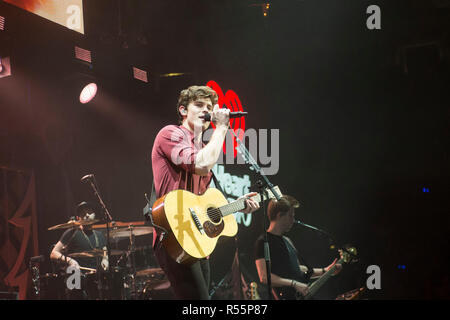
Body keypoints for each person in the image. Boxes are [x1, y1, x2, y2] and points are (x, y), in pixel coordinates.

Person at [150, 85, 260, 299]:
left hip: (196, 239)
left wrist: (238, 204)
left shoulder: (204, 147)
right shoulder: (170, 133)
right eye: (198, 105)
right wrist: (220, 129)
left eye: (209, 107)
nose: (205, 110)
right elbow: (200, 165)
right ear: (183, 110)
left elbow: (202, 203)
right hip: (175, 233)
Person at [254, 195, 342, 300]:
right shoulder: (263, 242)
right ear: (279, 215)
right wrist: (294, 284)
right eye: (290, 216)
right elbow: (264, 277)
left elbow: (296, 269)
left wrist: (326, 270)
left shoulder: (287, 241)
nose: (293, 220)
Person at [50, 201, 108, 299]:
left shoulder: (99, 235)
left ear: (94, 214)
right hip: (75, 274)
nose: (87, 215)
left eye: (89, 212)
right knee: (74, 280)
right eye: (83, 214)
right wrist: (71, 261)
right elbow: (53, 253)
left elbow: (105, 251)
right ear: (78, 218)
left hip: (94, 277)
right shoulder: (71, 232)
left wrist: (105, 260)